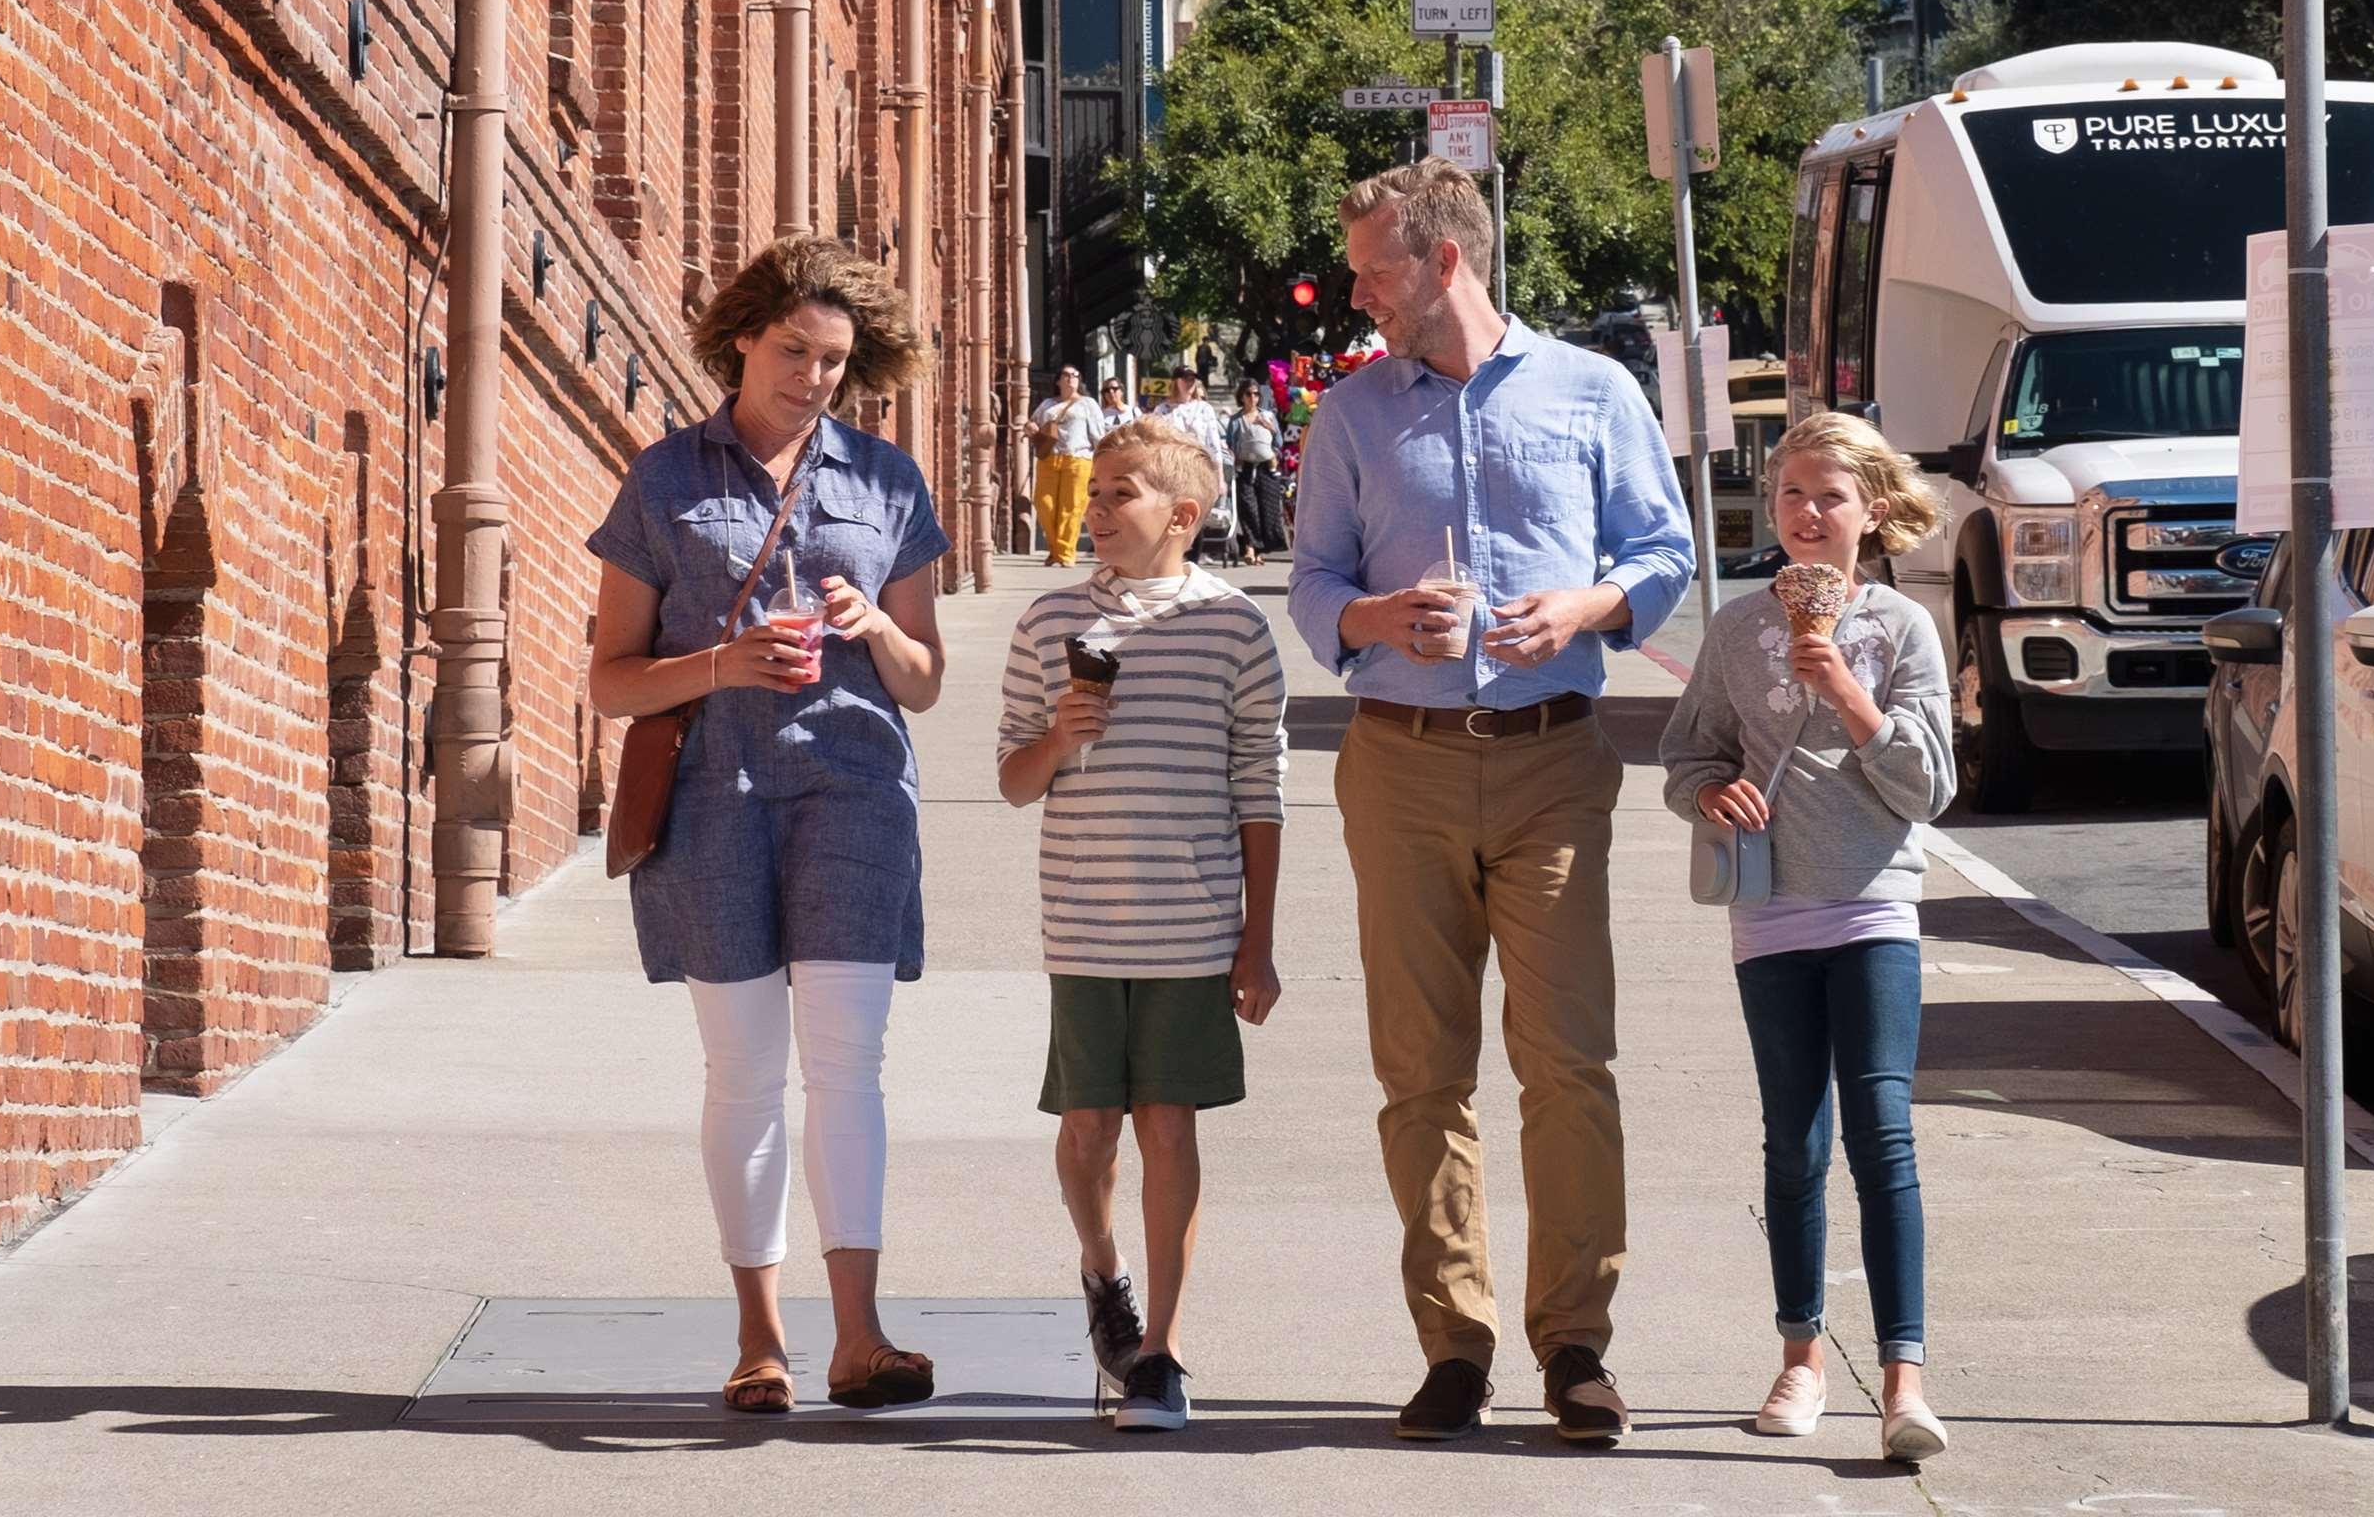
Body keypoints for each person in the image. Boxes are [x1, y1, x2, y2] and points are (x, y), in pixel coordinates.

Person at [1287, 160, 1697, 1448]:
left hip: (1554, 763)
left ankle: (1575, 1342)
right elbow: (1310, 582)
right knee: (1422, 1071)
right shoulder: (1351, 415)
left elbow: (1665, 549)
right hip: (1399, 759)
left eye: (1372, 268)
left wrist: (1586, 607)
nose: (1355, 291)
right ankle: (1452, 1345)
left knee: (1568, 1061)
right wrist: (1368, 617)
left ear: (1446, 261)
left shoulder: (1593, 391)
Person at [583, 238, 950, 1416]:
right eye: (794, 350)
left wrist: (873, 630)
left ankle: (861, 1336)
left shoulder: (889, 482)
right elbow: (612, 681)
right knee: (743, 1072)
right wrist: (722, 663)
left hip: (855, 791)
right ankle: (759, 1339)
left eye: (836, 359)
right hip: (715, 802)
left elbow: (927, 676)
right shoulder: (665, 482)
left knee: (849, 1064)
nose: (814, 376)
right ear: (743, 338)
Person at [1658, 412, 1956, 1465]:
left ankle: (1905, 1379)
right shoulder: (1738, 630)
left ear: (1872, 512)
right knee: (1795, 1140)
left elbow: (1931, 789)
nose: (1809, 515)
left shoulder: (1901, 630)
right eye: (1791, 496)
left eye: (1831, 496)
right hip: (1772, 911)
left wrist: (1846, 690)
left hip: (1876, 905)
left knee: (1884, 1135)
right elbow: (1684, 754)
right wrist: (1713, 794)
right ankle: (1799, 1359)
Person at [994, 424, 1288, 1433]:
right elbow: (1010, 782)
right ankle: (1102, 1268)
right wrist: (1057, 737)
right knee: (1089, 1130)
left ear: (1184, 516)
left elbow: (1262, 788)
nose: (1101, 508)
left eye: (1124, 493)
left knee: (1169, 1125)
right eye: (1099, 491)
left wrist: (1258, 941)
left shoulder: (1233, 628)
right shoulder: (1046, 623)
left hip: (1194, 929)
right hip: (1083, 923)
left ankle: (1157, 1353)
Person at [1026, 367, 1110, 566]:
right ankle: (1056, 549)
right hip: (1049, 459)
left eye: (1075, 375)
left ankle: (1065, 554)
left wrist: (1103, 459)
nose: (1071, 378)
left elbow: (1098, 434)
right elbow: (1033, 423)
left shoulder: (1088, 404)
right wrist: (1030, 428)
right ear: (1058, 381)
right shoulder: (1048, 403)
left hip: (1078, 458)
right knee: (1043, 504)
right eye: (1066, 375)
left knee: (1071, 508)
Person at [1155, 371, 1235, 562]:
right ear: (1176, 381)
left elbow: (1214, 443)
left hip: (1198, 467)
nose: (1190, 383)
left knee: (1194, 512)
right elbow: (1156, 442)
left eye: (1193, 380)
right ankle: (1171, 556)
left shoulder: (1203, 408)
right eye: (1186, 379)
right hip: (1171, 468)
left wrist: (1219, 477)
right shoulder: (1163, 410)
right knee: (1170, 512)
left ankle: (1192, 558)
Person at [1224, 381, 1286, 562]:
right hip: (1246, 467)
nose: (1253, 398)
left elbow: (1279, 442)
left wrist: (1270, 428)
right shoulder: (1236, 420)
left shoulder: (1267, 416)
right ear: (1242, 396)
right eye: (1249, 394)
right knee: (1248, 509)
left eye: (1256, 394)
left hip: (1267, 468)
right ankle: (1250, 547)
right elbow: (1230, 443)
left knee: (1267, 509)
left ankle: (1259, 550)